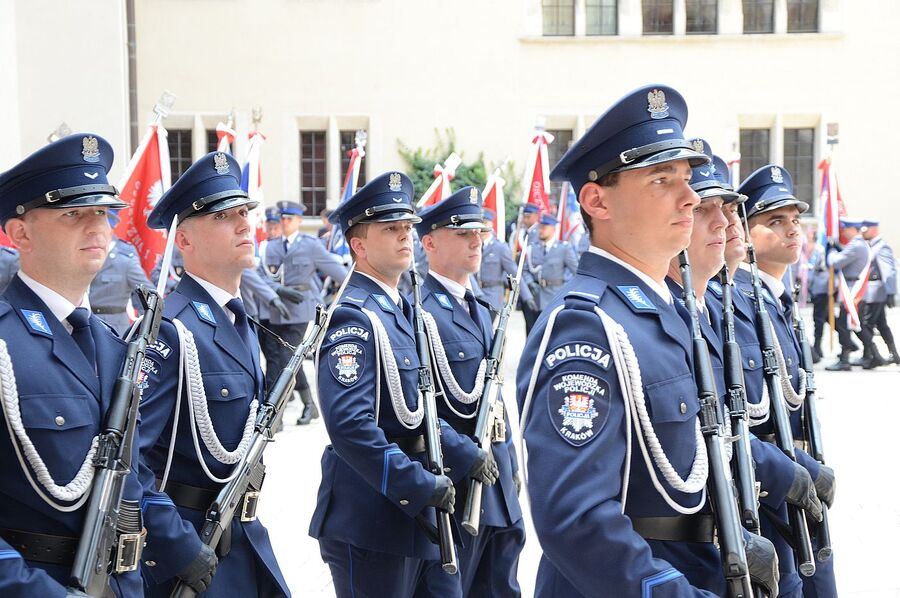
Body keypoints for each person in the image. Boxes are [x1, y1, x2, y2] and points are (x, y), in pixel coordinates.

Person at [515, 84, 777, 596]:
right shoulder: (586, 325)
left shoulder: (668, 310)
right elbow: (576, 519)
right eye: (662, 179)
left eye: (686, 178)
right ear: (597, 201)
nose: (691, 196)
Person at [310, 171, 472, 597]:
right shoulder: (354, 316)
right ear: (359, 246)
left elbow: (418, 408)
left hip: (415, 509)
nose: (405, 237)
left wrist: (461, 453)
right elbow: (349, 426)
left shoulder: (401, 310)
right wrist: (416, 484)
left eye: (407, 227)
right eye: (390, 229)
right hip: (373, 517)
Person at [137, 152, 290, 597]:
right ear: (183, 239)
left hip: (242, 537)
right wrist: (177, 546)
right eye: (224, 216)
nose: (245, 224)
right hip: (188, 553)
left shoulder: (237, 320)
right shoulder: (170, 328)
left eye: (244, 212)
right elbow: (131, 460)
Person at [0, 133, 144, 596]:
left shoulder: (111, 343)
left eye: (102, 213)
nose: (98, 228)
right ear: (20, 233)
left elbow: (131, 480)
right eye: (73, 214)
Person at [414, 187, 525, 596]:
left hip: (497, 487)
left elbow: (492, 396)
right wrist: (465, 455)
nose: (477, 241)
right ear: (429, 242)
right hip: (457, 489)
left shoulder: (479, 306)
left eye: (479, 232)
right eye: (463, 233)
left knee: (501, 587)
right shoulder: (419, 309)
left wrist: (510, 463)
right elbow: (414, 406)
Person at [734, 165, 837, 598]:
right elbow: (750, 415)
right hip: (772, 492)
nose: (792, 230)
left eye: (795, 220)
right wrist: (800, 469)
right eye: (775, 221)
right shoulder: (737, 301)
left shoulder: (778, 298)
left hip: (797, 481)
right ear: (744, 232)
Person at [262, 200, 348, 425]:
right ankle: (308, 405)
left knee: (287, 357)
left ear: (299, 221)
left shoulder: (310, 245)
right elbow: (263, 277)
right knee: (284, 359)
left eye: (289, 219)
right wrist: (276, 290)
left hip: (301, 308)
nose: (284, 222)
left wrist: (355, 284)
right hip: (278, 307)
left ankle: (299, 405)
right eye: (282, 218)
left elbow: (336, 270)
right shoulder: (270, 247)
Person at [88, 214, 152, 333]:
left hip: (115, 328)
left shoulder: (125, 261)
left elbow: (149, 296)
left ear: (111, 230)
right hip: (86, 323)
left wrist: (144, 328)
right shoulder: (86, 255)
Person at [521, 213, 577, 334]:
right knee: (531, 334)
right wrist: (530, 283)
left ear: (553, 229)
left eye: (544, 227)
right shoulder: (532, 248)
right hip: (534, 298)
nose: (540, 230)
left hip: (554, 297)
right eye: (540, 227)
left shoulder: (564, 249)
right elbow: (524, 270)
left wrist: (567, 291)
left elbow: (576, 272)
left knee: (551, 335)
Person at [825, 218, 868, 371]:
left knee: (844, 325)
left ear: (853, 230)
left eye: (845, 229)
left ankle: (845, 360)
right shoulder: (858, 244)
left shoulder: (856, 245)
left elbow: (835, 262)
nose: (843, 231)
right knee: (856, 325)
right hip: (853, 288)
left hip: (851, 290)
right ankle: (871, 354)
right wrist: (837, 246)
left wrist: (830, 251)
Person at [478, 208, 535, 313]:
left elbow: (513, 272)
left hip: (492, 297)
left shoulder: (500, 248)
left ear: (491, 225)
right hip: (475, 296)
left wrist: (527, 297)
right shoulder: (473, 245)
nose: (482, 227)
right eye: (480, 223)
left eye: (485, 223)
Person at [859, 219, 899, 366]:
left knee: (867, 324)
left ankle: (870, 356)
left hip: (876, 293)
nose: (863, 233)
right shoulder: (871, 246)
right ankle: (894, 354)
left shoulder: (881, 247)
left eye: (865, 230)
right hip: (872, 291)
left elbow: (888, 271)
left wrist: (890, 292)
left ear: (874, 230)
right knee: (881, 324)